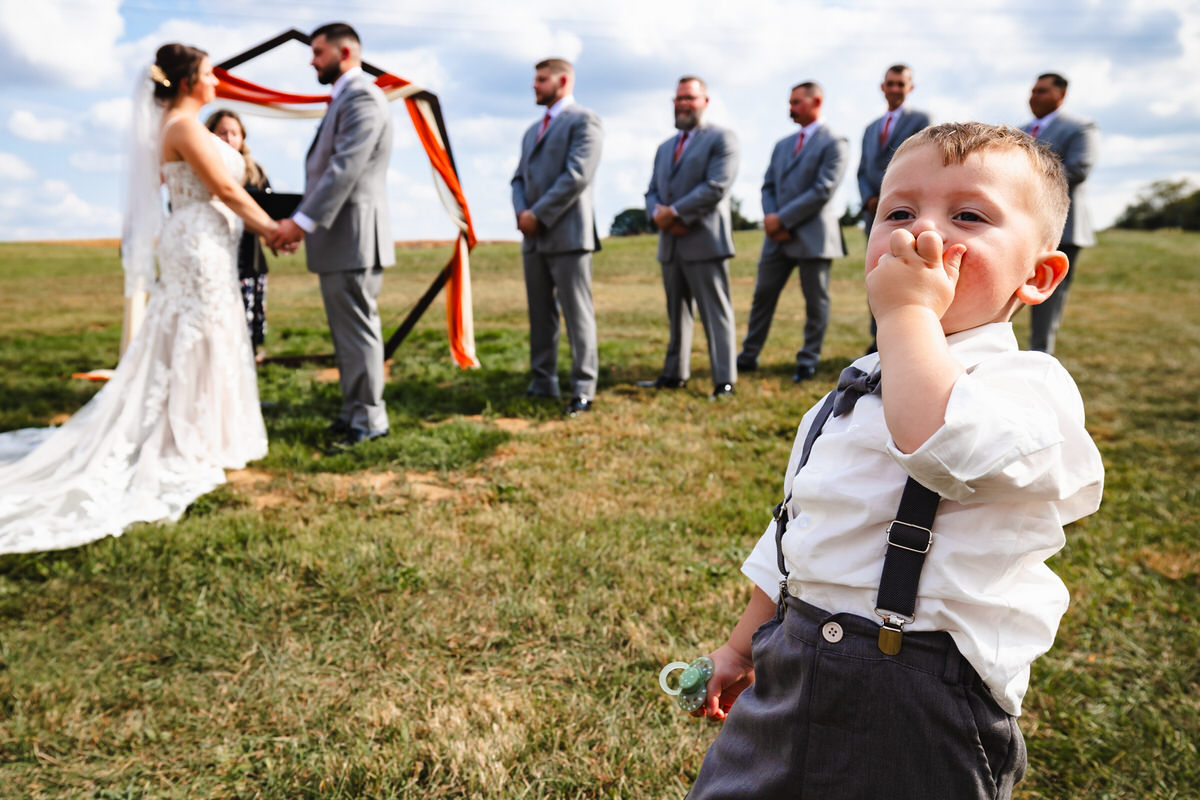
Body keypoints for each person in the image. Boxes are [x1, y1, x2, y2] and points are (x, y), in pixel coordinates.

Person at [682, 123, 1105, 799]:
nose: (922, 236)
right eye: (899, 213)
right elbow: (795, 531)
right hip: (794, 659)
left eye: (968, 215)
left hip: (923, 693)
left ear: (1039, 275)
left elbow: (942, 447)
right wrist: (740, 648)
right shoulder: (851, 390)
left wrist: (907, 313)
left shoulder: (1028, 388)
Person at [0, 44, 278, 554]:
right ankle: (186, 436)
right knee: (196, 333)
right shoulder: (184, 127)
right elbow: (224, 187)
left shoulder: (179, 125)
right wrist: (273, 229)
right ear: (191, 79)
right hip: (197, 242)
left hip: (205, 240)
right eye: (210, 72)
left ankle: (206, 429)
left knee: (206, 331)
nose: (217, 79)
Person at [268, 22, 394, 450]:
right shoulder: (345, 97)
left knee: (359, 332)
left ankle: (371, 420)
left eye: (318, 52)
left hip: (354, 236)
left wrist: (299, 223)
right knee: (347, 334)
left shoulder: (363, 97)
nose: (311, 60)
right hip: (340, 237)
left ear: (346, 52)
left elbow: (344, 168)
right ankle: (353, 412)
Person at [735, 82, 847, 383]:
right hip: (776, 238)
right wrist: (771, 218)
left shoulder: (835, 142)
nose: (791, 108)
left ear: (817, 101)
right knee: (762, 296)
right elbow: (768, 185)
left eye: (797, 102)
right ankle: (748, 355)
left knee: (815, 301)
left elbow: (823, 189)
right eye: (790, 102)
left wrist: (783, 220)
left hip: (813, 236)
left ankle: (808, 360)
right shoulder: (782, 144)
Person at [511, 58, 603, 417]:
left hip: (568, 235)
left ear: (562, 80)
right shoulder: (532, 130)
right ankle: (543, 381)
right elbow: (518, 178)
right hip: (533, 237)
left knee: (577, 315)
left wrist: (538, 214)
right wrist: (522, 213)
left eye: (541, 79)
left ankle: (583, 388)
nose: (535, 86)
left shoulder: (584, 120)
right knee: (540, 313)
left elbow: (577, 175)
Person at [641, 76, 740, 399]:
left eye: (690, 98)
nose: (682, 104)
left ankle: (724, 380)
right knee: (676, 312)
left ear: (705, 102)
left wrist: (677, 213)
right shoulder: (664, 147)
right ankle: (674, 374)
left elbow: (716, 186)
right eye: (678, 98)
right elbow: (652, 190)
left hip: (704, 240)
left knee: (715, 313)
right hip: (670, 243)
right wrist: (659, 214)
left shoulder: (722, 138)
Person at [858, 64, 932, 353]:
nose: (894, 89)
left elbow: (922, 163)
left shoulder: (921, 120)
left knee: (906, 275)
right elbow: (863, 169)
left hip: (904, 212)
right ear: (882, 87)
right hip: (874, 213)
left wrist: (890, 199)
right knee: (877, 272)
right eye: (890, 83)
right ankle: (877, 338)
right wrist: (869, 198)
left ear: (910, 88)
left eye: (900, 84)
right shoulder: (870, 128)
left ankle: (907, 337)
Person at [1023, 72, 1098, 355]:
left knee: (1047, 304)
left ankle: (1040, 360)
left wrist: (1022, 184)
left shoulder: (1079, 127)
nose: (1034, 96)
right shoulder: (1018, 131)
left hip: (1062, 227)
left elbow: (1078, 169)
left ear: (1061, 95)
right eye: (1032, 90)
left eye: (1042, 91)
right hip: (1021, 226)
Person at [206, 109, 271, 358]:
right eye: (222, 132)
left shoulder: (255, 172)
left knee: (246, 314)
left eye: (234, 133)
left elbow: (267, 209)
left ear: (243, 137)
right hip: (216, 248)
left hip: (249, 255)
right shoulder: (204, 166)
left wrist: (271, 229)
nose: (229, 138)